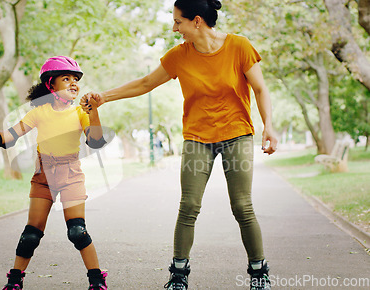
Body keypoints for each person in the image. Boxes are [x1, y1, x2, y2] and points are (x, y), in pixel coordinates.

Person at [81, 0, 278, 289]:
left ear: (197, 21)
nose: (175, 28)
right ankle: (178, 274)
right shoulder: (179, 55)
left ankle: (259, 272)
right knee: (189, 206)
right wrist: (104, 97)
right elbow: (146, 83)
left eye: (178, 22)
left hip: (237, 134)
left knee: (242, 206)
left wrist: (268, 127)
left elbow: (260, 88)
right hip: (198, 138)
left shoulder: (239, 46)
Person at [0, 56, 108, 290]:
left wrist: (93, 112)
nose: (74, 83)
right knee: (31, 233)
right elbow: (10, 135)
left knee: (77, 231)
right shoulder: (39, 112)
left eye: (76, 79)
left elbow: (96, 141)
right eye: (66, 78)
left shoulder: (80, 112)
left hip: (71, 175)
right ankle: (14, 280)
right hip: (43, 176)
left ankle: (97, 279)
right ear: (51, 85)